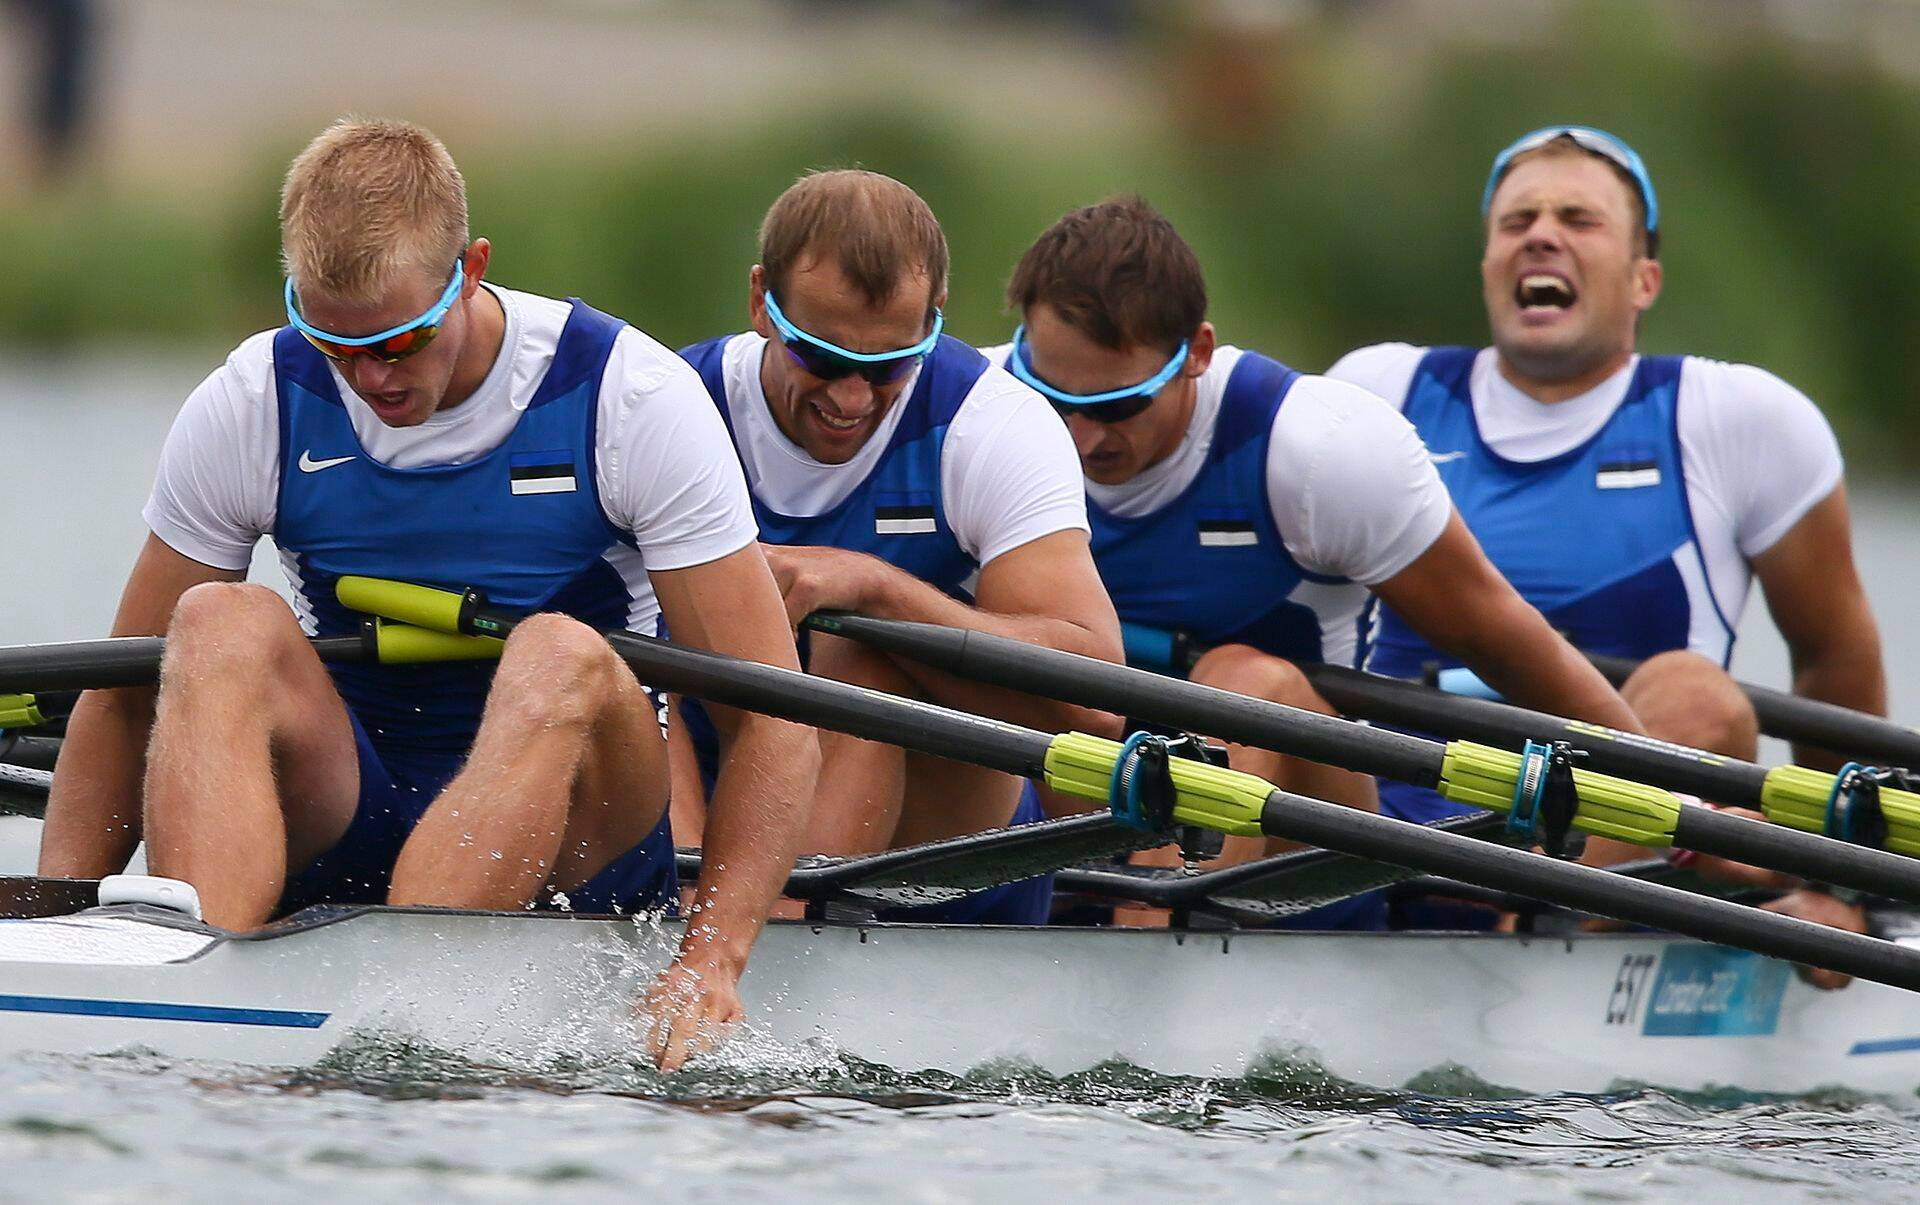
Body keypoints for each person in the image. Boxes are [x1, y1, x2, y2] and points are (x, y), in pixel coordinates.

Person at [36, 119, 820, 1067]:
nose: (372, 377)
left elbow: (773, 716)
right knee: (212, 623)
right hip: (353, 799)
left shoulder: (629, 395)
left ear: (473, 267)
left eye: (402, 342)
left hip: (580, 832)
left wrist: (714, 957)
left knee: (560, 650)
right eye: (335, 344)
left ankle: (407, 1000)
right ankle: (205, 1008)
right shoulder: (252, 398)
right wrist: (53, 937)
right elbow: (120, 697)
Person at [993, 196, 1646, 926]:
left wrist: (1665, 796)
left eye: (1118, 407)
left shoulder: (1318, 451)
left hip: (1304, 845)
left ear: (1198, 354)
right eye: (1053, 400)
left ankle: (1138, 975)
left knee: (1249, 680)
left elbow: (1504, 641)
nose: (1081, 440)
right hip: (1078, 797)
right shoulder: (982, 416)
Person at [1328, 126, 1884, 960]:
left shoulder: (1740, 419)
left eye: (1578, 219)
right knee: (1252, 675)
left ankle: (1556, 912)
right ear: (1487, 266)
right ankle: (1160, 903)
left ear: (1643, 278)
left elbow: (1832, 662)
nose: (1541, 235)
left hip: (1615, 814)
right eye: (1517, 222)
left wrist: (1840, 884)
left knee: (1701, 698)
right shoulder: (1375, 392)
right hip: (1394, 804)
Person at [678, 170, 1122, 923]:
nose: (851, 398)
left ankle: (773, 941)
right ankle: (708, 922)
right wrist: (685, 879)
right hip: (708, 799)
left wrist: (875, 587)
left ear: (935, 318)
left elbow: (1098, 702)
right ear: (762, 302)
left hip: (940, 836)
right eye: (820, 356)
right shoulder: (672, 406)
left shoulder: (993, 424)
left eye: (888, 366)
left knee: (867, 648)